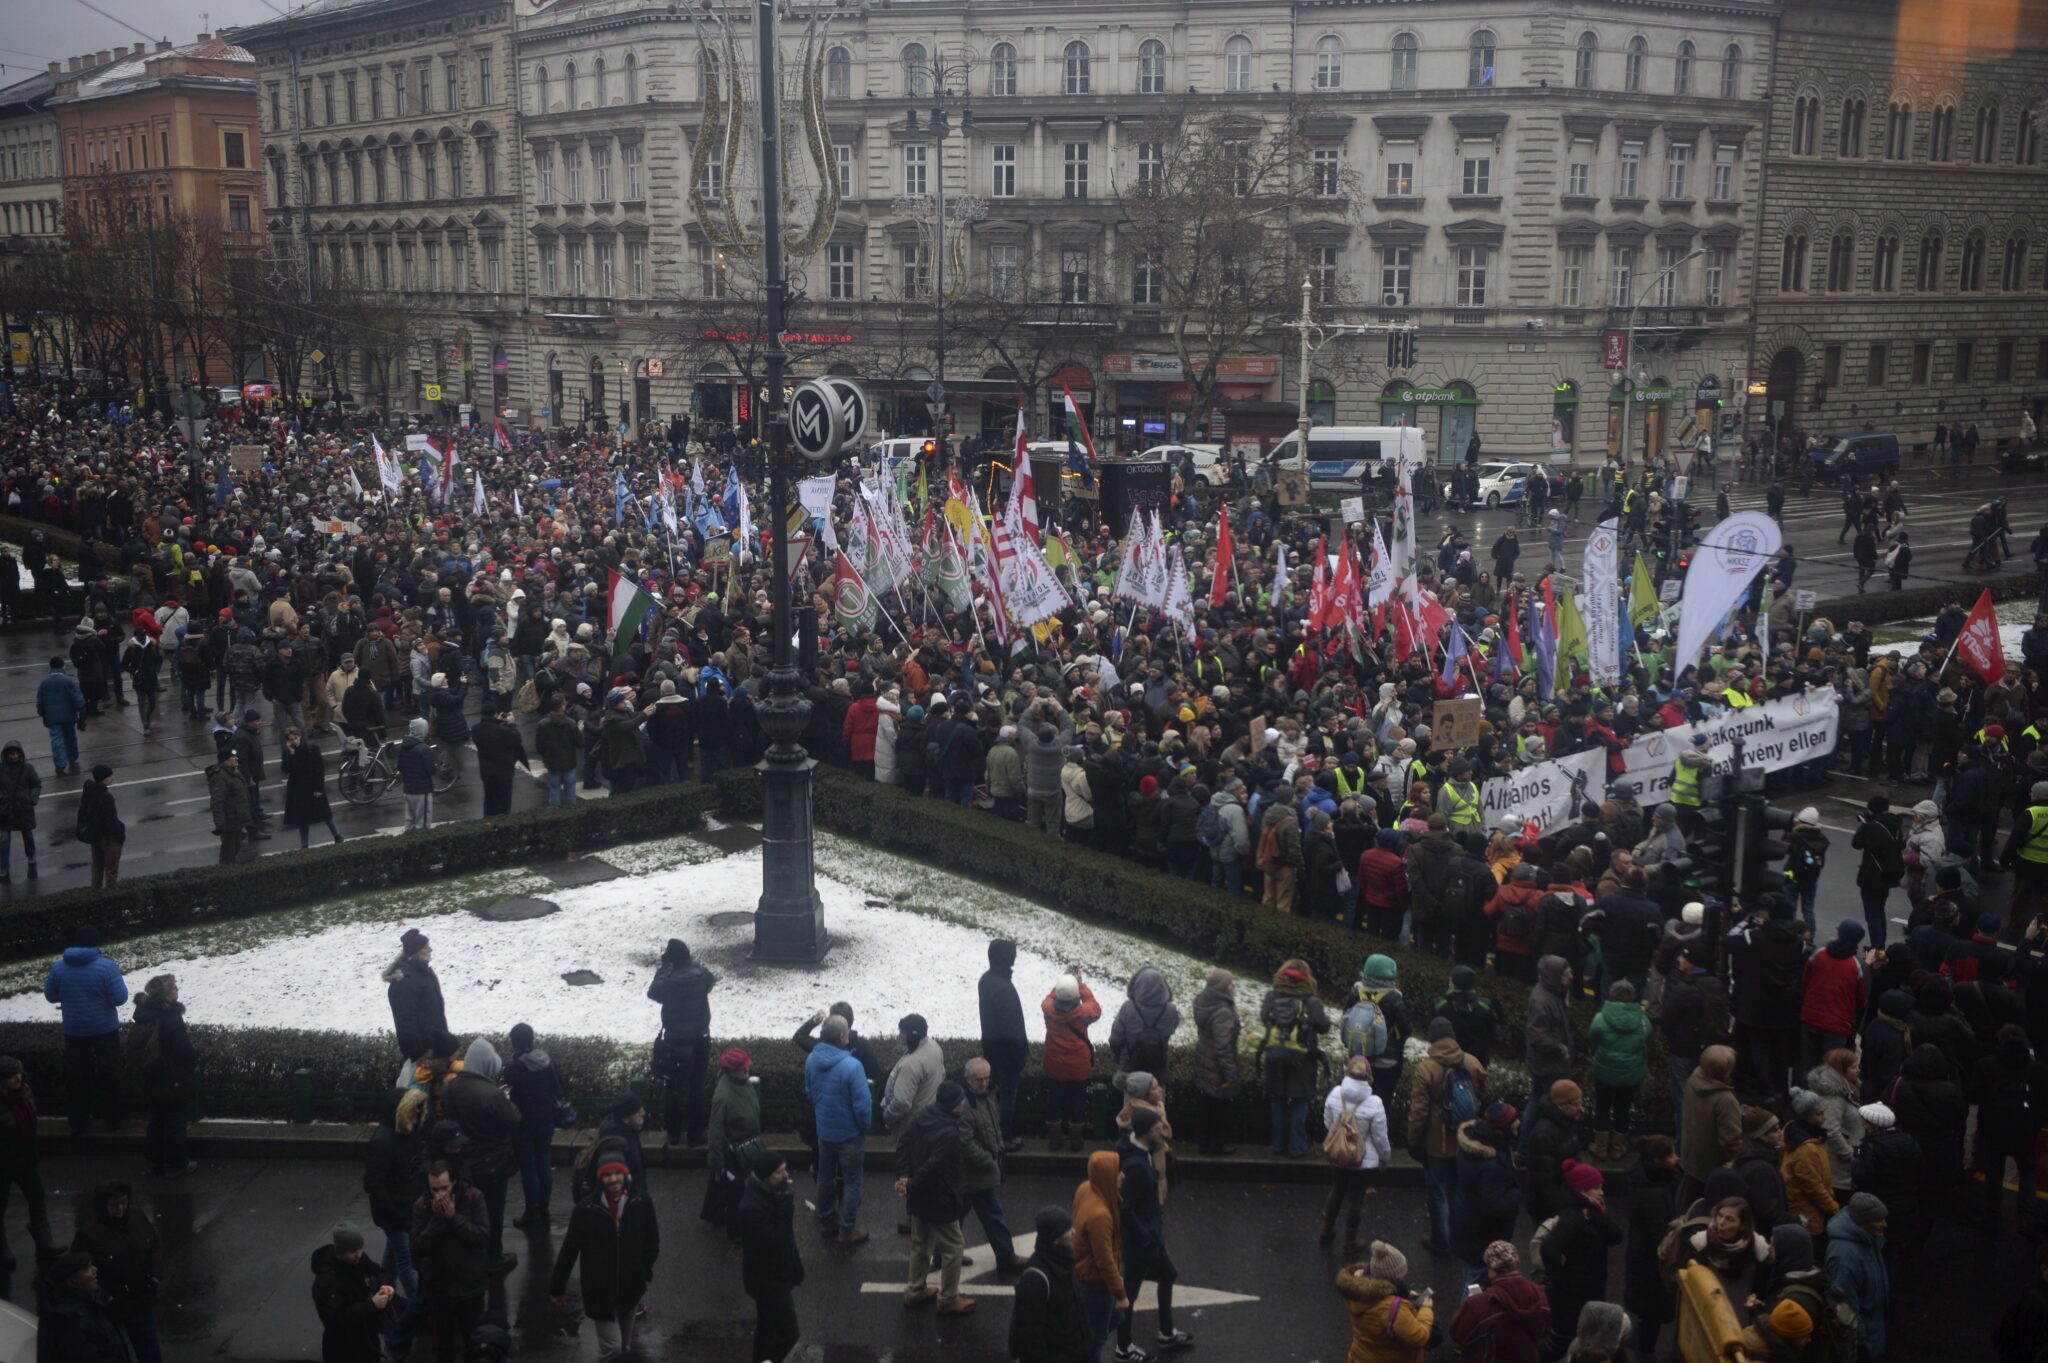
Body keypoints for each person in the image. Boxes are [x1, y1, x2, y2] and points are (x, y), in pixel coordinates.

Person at [548, 1149, 660, 1362]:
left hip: (630, 1288)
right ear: (600, 1177)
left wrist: (643, 1273)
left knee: (624, 1346)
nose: (613, 1179)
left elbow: (651, 1242)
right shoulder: (586, 1210)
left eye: (618, 1173)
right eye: (608, 1175)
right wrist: (557, 1288)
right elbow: (569, 1251)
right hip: (599, 1292)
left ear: (625, 1174)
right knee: (612, 1349)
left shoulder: (642, 1202)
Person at [440, 1038, 521, 1275]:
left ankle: (467, 1253)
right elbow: (513, 1120)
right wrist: (507, 1101)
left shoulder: (449, 1087)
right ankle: (493, 1257)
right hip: (492, 1164)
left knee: (466, 1208)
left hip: (461, 1161)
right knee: (493, 1211)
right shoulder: (492, 1094)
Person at [1408, 1016, 1484, 1257]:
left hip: (1437, 1142)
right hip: (1466, 1138)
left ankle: (1441, 1242)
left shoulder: (1426, 1068)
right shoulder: (1472, 1062)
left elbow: (1419, 1111)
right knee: (1459, 1190)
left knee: (1438, 1192)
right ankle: (1461, 1236)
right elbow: (1481, 1096)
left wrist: (1413, 1140)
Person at [42, 928, 128, 1137]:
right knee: (110, 1073)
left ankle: (78, 1121)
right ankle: (113, 1119)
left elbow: (51, 996)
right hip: (105, 1029)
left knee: (77, 1076)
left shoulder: (59, 968)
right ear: (95, 943)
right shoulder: (106, 966)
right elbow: (119, 998)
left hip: (74, 1031)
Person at [70, 1179, 162, 1363]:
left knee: (147, 1342)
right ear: (103, 1205)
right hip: (110, 1305)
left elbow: (154, 1245)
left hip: (140, 1297)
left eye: (123, 1202)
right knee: (113, 1349)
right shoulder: (89, 1234)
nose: (120, 1208)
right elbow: (78, 1271)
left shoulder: (137, 1217)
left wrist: (155, 1274)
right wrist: (104, 1297)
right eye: (114, 1204)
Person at [1969, 1023, 2048, 1237]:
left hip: (1994, 1127)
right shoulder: (2038, 1069)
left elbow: (1975, 1095)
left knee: (1994, 1171)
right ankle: (2026, 1220)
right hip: (2026, 1129)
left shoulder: (1986, 1065)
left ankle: (1991, 1218)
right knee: (2028, 1171)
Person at [1539, 1160, 1622, 1357]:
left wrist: (1599, 1219)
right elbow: (1549, 1248)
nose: (1601, 1192)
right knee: (1568, 1339)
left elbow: (1616, 1237)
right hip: (1576, 1292)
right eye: (1596, 1188)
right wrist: (1559, 1281)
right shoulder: (1573, 1217)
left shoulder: (1592, 1211)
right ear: (1581, 1190)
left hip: (1588, 1285)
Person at [803, 1014, 873, 1246]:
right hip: (849, 1135)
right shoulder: (852, 1066)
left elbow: (810, 1093)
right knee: (852, 1181)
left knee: (825, 1176)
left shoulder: (811, 1059)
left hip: (824, 1131)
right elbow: (862, 1106)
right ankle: (847, 1230)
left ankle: (826, 1220)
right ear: (843, 1036)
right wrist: (864, 1127)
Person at [411, 1162, 490, 1363]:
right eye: (435, 1189)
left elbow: (481, 1237)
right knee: (443, 1346)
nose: (440, 1195)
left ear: (453, 1182)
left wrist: (454, 1219)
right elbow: (418, 1247)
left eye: (444, 1188)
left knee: (474, 1343)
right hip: (439, 1288)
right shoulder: (422, 1206)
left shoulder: (473, 1197)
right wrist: (438, 1221)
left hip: (469, 1286)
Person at [737, 1147, 805, 1363]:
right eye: (779, 1172)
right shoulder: (751, 1209)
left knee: (766, 1328)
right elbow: (777, 1241)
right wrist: (786, 1207)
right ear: (765, 1176)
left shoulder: (767, 1193)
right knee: (788, 1333)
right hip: (768, 1282)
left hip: (772, 1277)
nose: (785, 1175)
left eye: (785, 1169)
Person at [647, 937, 717, 1147]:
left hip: (674, 1040)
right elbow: (711, 981)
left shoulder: (667, 981)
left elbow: (653, 992)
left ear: (671, 960)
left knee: (673, 1088)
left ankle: (674, 1134)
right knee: (697, 1088)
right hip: (699, 1038)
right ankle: (695, 1134)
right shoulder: (701, 975)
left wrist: (663, 969)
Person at [1320, 1055, 1392, 1258]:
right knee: (1355, 1200)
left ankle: (1326, 1231)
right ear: (1368, 1076)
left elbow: (1328, 1122)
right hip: (1363, 1162)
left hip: (1338, 1156)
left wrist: (1340, 1141)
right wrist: (1385, 1159)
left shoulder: (1336, 1094)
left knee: (1336, 1191)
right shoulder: (1374, 1103)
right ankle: (1349, 1242)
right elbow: (1380, 1138)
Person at [1259, 959, 1330, 1157]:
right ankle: (1297, 1146)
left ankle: (1278, 1144)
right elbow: (1324, 1027)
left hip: (1276, 1054)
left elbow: (1264, 1018)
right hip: (1303, 1058)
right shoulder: (1311, 1001)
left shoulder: (1272, 996)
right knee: (1299, 1101)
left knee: (1278, 1099)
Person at [959, 1058, 1023, 1275]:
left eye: (987, 1078)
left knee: (957, 1215)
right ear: (968, 1079)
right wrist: (989, 1160)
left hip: (975, 1172)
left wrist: (997, 1150)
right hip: (976, 1172)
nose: (985, 1084)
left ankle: (943, 1253)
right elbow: (965, 1143)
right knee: (993, 1215)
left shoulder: (984, 1097)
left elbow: (993, 1127)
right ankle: (1006, 1257)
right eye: (979, 1080)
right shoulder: (967, 1105)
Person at [127, 976, 194, 1178]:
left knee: (156, 1120)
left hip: (150, 1074)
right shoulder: (171, 1016)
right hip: (171, 1076)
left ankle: (154, 1163)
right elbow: (182, 1049)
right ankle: (175, 1166)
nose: (177, 990)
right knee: (175, 1121)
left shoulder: (144, 1014)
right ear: (165, 994)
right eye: (174, 988)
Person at [1009, 1205, 1094, 1363]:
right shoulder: (1035, 1280)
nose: (1073, 1232)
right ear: (1055, 1240)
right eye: (1067, 1229)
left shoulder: (1064, 1262)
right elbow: (1029, 1340)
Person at [1620, 1135, 1680, 1359]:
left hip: (1640, 1258)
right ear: (1657, 1161)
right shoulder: (1655, 1193)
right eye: (1671, 1155)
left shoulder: (1644, 1181)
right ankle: (1644, 1352)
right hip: (1651, 1264)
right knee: (1653, 1311)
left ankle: (1638, 1343)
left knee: (1647, 1311)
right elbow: (1659, 1235)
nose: (1676, 1158)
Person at [1452, 1103, 1524, 1289]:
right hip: (1481, 1237)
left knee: (1471, 1275)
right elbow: (1495, 1206)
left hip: (1467, 1228)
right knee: (1476, 1282)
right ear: (1503, 1129)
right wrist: (1516, 1193)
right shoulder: (1492, 1166)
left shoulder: (1475, 1144)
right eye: (1514, 1122)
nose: (1518, 1124)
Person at [1448, 1240, 1550, 1363]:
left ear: (1490, 1267)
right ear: (1517, 1263)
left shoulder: (1479, 1304)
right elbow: (1543, 1329)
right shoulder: (1539, 1294)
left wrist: (1471, 1303)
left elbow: (1457, 1333)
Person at [503, 1024, 561, 1230]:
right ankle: (544, 1207)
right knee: (543, 1162)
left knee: (529, 1168)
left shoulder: (514, 1068)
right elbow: (559, 1087)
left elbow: (507, 1093)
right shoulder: (547, 1061)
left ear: (514, 1042)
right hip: (547, 1120)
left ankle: (532, 1211)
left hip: (524, 1124)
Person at [310, 1222, 395, 1363]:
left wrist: (386, 1285)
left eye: (360, 1248)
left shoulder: (359, 1260)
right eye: (352, 1251)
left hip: (367, 1339)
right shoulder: (325, 1283)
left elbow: (380, 1272)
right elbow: (335, 1321)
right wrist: (371, 1305)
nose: (359, 1254)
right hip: (344, 1349)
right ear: (340, 1252)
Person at [1071, 1149, 1128, 1361]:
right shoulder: (1101, 1216)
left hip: (1084, 1275)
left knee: (1114, 1319)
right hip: (1096, 1284)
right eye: (1118, 1172)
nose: (1122, 1175)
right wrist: (1120, 1293)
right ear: (1107, 1177)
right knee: (1096, 1339)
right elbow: (1104, 1260)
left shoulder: (1085, 1188)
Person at [1334, 1242, 1433, 1363]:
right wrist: (1426, 1310)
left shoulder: (1356, 1290)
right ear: (1395, 1277)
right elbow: (1419, 1338)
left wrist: (1405, 1292)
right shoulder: (1392, 1308)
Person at [0, 1056, 54, 1270]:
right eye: (11, 1076)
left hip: (26, 1159)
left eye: (18, 1073)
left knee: (37, 1198)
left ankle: (45, 1244)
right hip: (3, 1163)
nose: (17, 1078)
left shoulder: (25, 1092)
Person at [1586, 980, 1648, 1162]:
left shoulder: (1600, 1018)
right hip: (1630, 1073)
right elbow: (1648, 1038)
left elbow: (1592, 1038)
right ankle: (1618, 1149)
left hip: (1604, 1072)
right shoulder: (1642, 1020)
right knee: (1623, 1109)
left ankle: (1600, 1148)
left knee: (1602, 1107)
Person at [34, 1251, 133, 1363]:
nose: (95, 1270)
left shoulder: (88, 1303)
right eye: (86, 1269)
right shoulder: (70, 1320)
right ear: (72, 1280)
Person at [703, 1047, 761, 1237]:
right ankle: (735, 1232)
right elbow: (715, 1132)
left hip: (747, 1147)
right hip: (734, 1153)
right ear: (731, 1070)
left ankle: (714, 1217)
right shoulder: (724, 1097)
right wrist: (718, 1163)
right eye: (743, 1067)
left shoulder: (743, 1082)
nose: (747, 1069)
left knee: (724, 1187)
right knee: (737, 1192)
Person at [1825, 1195, 1891, 1361]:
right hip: (1863, 1345)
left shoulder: (1867, 1238)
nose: (1885, 1224)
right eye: (1879, 1220)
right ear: (1863, 1222)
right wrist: (1862, 1343)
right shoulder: (1844, 1257)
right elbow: (1846, 1308)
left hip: (1874, 1333)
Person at [1043, 971, 1102, 1151]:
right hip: (1078, 1066)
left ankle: (1055, 1139)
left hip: (1054, 1064)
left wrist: (1062, 984)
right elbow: (1094, 1005)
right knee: (1077, 1102)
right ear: (1076, 995)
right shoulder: (1084, 1013)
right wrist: (1080, 985)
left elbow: (1049, 997)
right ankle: (1075, 1141)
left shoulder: (1048, 1009)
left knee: (1054, 1101)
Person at [978, 938, 1029, 1147]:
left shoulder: (986, 980)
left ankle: (992, 1135)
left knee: (993, 1095)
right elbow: (1011, 1028)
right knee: (1007, 1097)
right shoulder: (1003, 988)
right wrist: (1020, 1055)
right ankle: (1004, 1138)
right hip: (1007, 1054)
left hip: (992, 1048)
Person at [1191, 968, 1242, 1157]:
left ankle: (1204, 1144)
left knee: (1207, 1106)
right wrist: (1231, 1075)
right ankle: (1216, 1147)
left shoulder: (1204, 1002)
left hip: (1204, 1060)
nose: (1233, 987)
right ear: (1225, 987)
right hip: (1217, 1068)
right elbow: (1223, 1046)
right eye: (1231, 984)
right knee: (1219, 1109)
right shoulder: (1223, 1011)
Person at [384, 928, 449, 1065]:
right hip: (424, 1054)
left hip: (437, 1045)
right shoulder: (406, 981)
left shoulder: (425, 973)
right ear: (415, 952)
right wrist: (418, 1054)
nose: (430, 949)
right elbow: (405, 1021)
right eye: (425, 947)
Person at [280, 727, 344, 848]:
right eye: (291, 739)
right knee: (302, 818)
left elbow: (319, 769)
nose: (294, 741)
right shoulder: (288, 752)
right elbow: (286, 769)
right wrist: (291, 754)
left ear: (300, 737)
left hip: (312, 785)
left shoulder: (312, 748)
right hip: (297, 788)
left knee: (325, 813)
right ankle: (304, 844)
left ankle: (337, 835)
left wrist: (318, 788)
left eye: (296, 738)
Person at [472, 707, 532, 816]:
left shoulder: (476, 729)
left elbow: (490, 732)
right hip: (503, 773)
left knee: (489, 800)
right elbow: (516, 738)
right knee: (504, 803)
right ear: (495, 714)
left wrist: (496, 721)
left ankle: (488, 821)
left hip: (486, 773)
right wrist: (511, 724)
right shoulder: (503, 732)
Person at [35, 655, 85, 776]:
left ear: (50, 667)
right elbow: (79, 700)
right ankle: (72, 757)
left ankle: (60, 765)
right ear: (63, 666)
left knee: (57, 739)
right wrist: (82, 714)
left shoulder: (44, 683)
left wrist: (42, 714)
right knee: (70, 736)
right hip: (69, 716)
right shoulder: (69, 681)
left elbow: (40, 702)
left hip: (52, 717)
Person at [75, 763, 123, 889]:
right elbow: (111, 821)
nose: (113, 778)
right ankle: (110, 896)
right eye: (109, 776)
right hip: (108, 839)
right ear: (103, 779)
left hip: (95, 837)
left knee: (97, 867)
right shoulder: (106, 797)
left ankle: (96, 894)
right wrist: (120, 835)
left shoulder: (89, 793)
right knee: (111, 870)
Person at [0, 741, 41, 883]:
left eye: (17, 753)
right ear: (7, 755)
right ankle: (4, 868)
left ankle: (31, 857)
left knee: (27, 835)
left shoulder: (27, 768)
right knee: (4, 840)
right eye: (12, 753)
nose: (15, 756)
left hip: (23, 808)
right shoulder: (1, 770)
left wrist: (32, 799)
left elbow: (36, 784)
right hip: (6, 809)